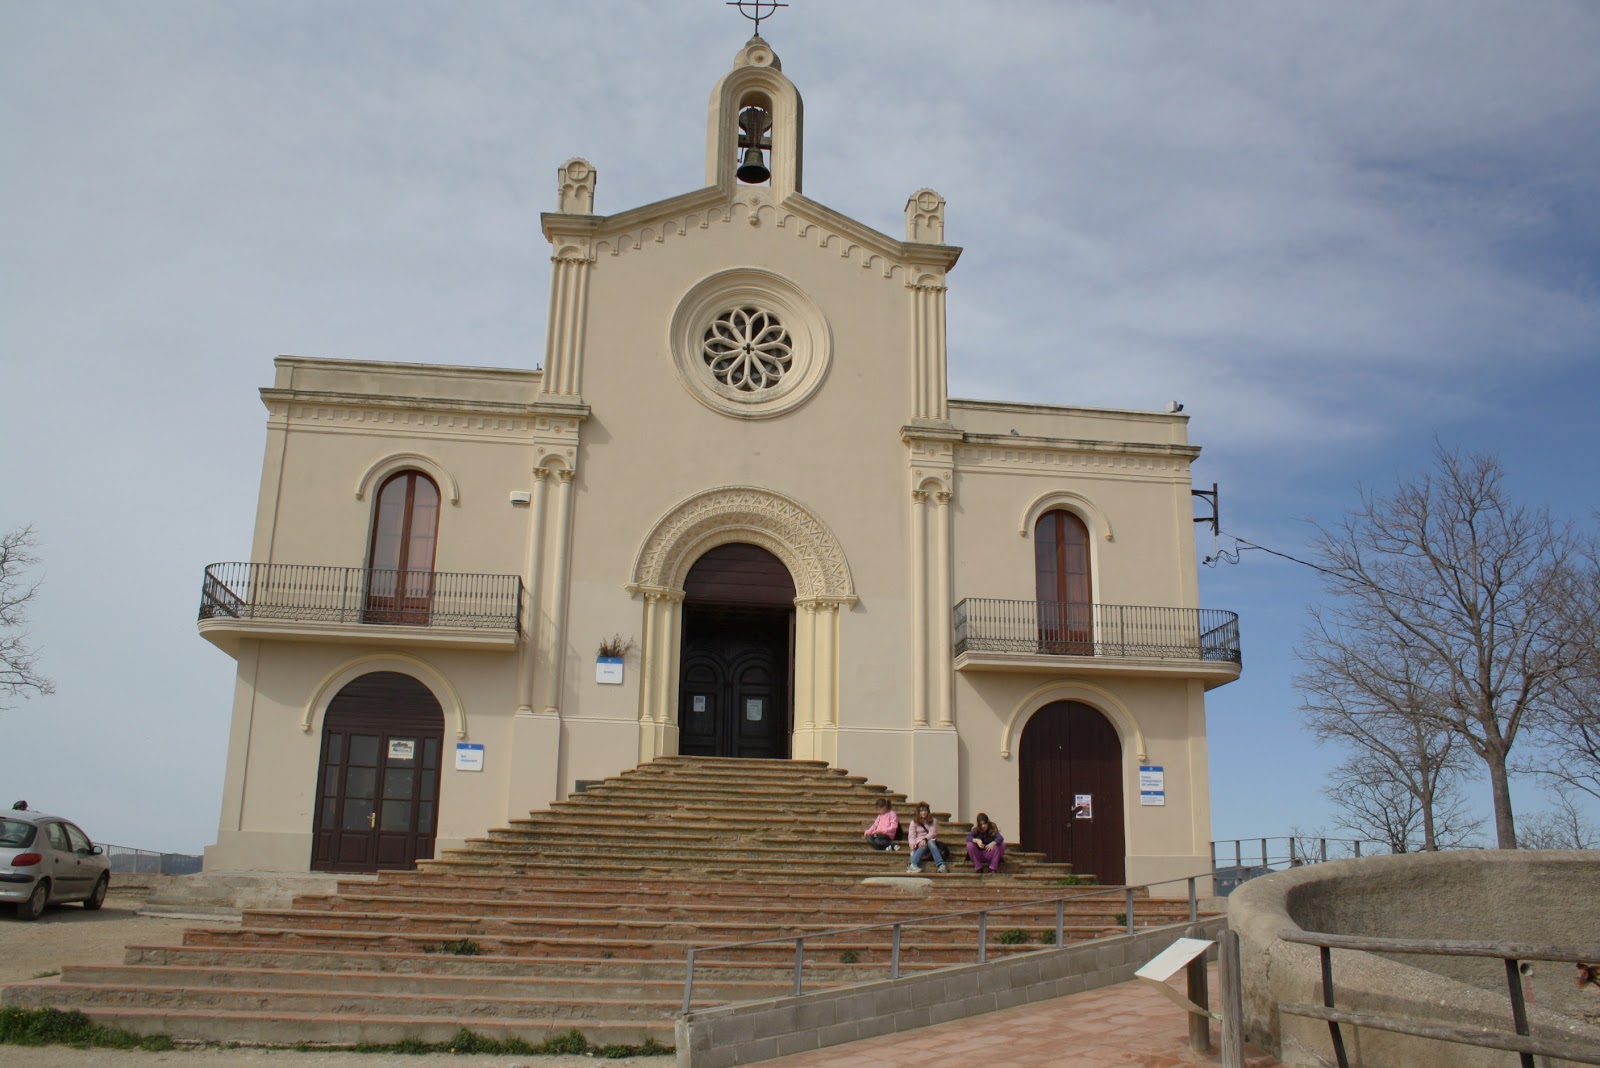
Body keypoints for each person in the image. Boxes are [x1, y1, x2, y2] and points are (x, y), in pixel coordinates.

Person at [906, 802, 948, 874]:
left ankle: (941, 865)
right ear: (918, 812)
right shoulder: (914, 822)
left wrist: (924, 839)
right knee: (923, 844)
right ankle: (913, 864)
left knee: (929, 842)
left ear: (928, 811)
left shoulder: (933, 821)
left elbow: (932, 833)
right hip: (919, 842)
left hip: (930, 841)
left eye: (925, 811)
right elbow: (912, 835)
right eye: (921, 811)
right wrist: (912, 844)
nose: (923, 813)